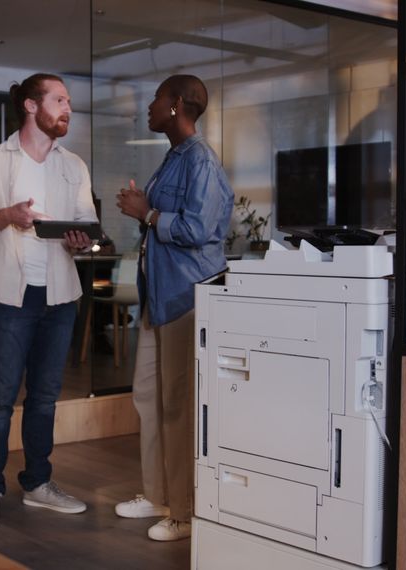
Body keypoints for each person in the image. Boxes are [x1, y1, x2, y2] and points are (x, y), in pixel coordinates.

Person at [0, 73, 97, 528]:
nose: (68, 108)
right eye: (59, 100)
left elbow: (88, 226)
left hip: (60, 296)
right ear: (32, 106)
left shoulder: (73, 165)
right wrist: (6, 216)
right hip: (9, 297)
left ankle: (37, 483)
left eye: (68, 101)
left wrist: (82, 242)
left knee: (45, 398)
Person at [114, 74, 233, 541]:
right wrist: (143, 211)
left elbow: (198, 230)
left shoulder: (200, 159)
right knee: (148, 398)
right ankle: (158, 493)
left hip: (186, 296)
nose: (150, 105)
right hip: (158, 296)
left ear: (176, 104)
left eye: (157, 98)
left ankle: (183, 512)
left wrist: (146, 213)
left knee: (178, 406)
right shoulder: (173, 156)